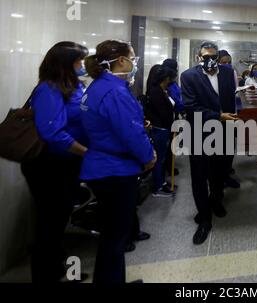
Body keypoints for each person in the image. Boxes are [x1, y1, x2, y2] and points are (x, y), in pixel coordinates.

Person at [81, 39, 156, 283]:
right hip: (114, 170)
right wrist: (148, 157)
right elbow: (131, 132)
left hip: (101, 166)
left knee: (111, 236)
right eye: (133, 58)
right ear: (121, 61)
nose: (134, 63)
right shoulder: (115, 91)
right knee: (115, 238)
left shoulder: (97, 87)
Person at [20, 42, 89, 283]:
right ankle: (44, 276)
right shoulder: (48, 90)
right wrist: (85, 152)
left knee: (58, 221)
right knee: (49, 224)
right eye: (78, 61)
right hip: (48, 166)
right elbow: (53, 133)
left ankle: (59, 270)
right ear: (64, 64)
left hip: (67, 163)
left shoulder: (72, 86)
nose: (82, 66)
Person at [181, 41, 237, 245]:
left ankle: (216, 200)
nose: (210, 60)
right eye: (206, 57)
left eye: (214, 56)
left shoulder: (228, 72)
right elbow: (190, 107)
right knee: (199, 176)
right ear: (199, 58)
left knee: (220, 171)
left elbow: (232, 100)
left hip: (225, 132)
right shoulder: (189, 76)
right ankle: (204, 218)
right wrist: (218, 116)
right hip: (199, 133)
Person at [145, 65, 177, 197]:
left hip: (165, 128)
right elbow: (163, 113)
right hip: (160, 129)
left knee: (162, 158)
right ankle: (157, 187)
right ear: (165, 78)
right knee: (159, 159)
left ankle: (162, 182)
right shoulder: (155, 92)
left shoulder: (163, 90)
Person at [217, 49, 240, 189]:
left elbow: (235, 93)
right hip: (217, 117)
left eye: (229, 62)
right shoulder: (212, 75)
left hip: (231, 115)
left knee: (230, 148)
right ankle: (219, 178)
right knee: (219, 150)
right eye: (223, 62)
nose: (227, 64)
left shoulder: (232, 73)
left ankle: (226, 174)